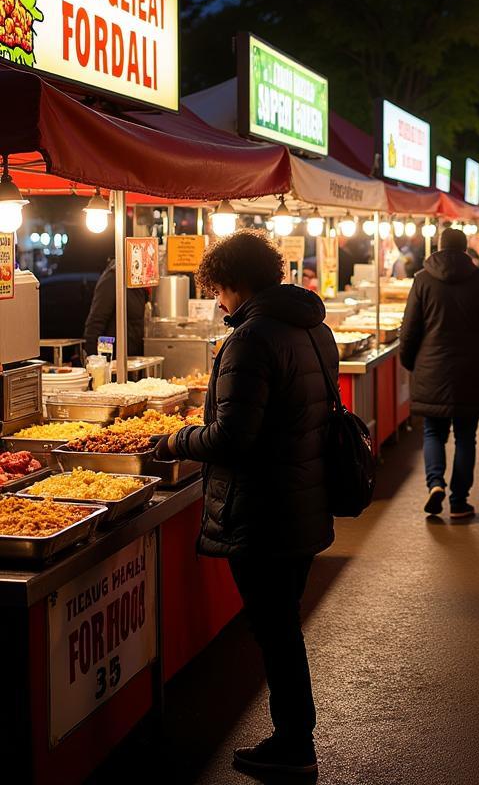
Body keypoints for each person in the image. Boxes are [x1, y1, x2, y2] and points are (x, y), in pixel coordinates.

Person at [154, 230, 335, 776]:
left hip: (264, 507)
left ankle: (294, 744)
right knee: (282, 623)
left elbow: (233, 437)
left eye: (217, 289)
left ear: (232, 281)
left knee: (275, 628)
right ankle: (293, 735)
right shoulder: (313, 326)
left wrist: (174, 441)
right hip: (303, 497)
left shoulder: (252, 338)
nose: (216, 301)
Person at [400, 227, 479, 519]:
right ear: (465, 249)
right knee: (465, 436)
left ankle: (435, 484)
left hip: (431, 367)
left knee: (433, 432)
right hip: (471, 369)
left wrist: (412, 363)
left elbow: (409, 329)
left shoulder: (422, 280)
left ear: (438, 246)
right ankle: (459, 501)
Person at [83, 258, 147, 357]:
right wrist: (94, 361)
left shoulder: (138, 282)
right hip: (115, 361)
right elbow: (95, 322)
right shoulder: (113, 278)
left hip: (133, 360)